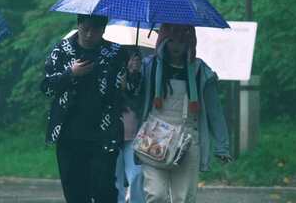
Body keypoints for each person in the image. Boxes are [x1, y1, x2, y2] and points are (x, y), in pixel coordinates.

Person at [41, 14, 133, 203]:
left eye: (95, 30)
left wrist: (133, 74)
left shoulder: (116, 53)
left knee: (104, 190)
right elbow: (46, 87)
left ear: (104, 30)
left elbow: (131, 91)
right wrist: (70, 74)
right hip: (69, 132)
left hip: (104, 132)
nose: (90, 35)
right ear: (78, 25)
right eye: (86, 29)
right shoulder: (62, 50)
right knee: (75, 191)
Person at [137, 23, 232, 203]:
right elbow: (134, 96)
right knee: (156, 194)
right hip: (154, 135)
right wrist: (133, 74)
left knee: (184, 198)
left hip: (188, 139)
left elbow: (215, 112)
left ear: (190, 43)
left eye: (182, 41)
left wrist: (222, 146)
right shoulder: (148, 67)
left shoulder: (201, 71)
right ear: (163, 41)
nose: (176, 46)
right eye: (171, 40)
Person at [115, 49, 145, 203]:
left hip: (134, 135)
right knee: (115, 179)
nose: (135, 63)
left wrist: (128, 88)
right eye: (132, 60)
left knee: (137, 175)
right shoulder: (115, 77)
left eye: (138, 60)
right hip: (114, 135)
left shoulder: (143, 80)